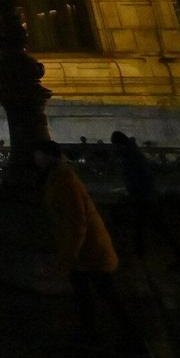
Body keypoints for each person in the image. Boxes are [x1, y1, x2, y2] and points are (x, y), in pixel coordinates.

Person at [34, 139, 129, 340]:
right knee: (88, 295)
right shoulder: (57, 176)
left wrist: (68, 256)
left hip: (87, 250)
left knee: (105, 295)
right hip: (81, 251)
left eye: (37, 154)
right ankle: (92, 333)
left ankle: (130, 337)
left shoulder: (64, 180)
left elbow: (77, 223)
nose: (35, 158)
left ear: (47, 155)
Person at [107, 131, 180, 274]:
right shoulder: (133, 154)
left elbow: (138, 177)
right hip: (146, 198)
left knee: (148, 229)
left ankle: (142, 261)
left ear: (119, 145)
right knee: (152, 229)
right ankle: (175, 259)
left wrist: (134, 192)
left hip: (143, 199)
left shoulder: (131, 157)